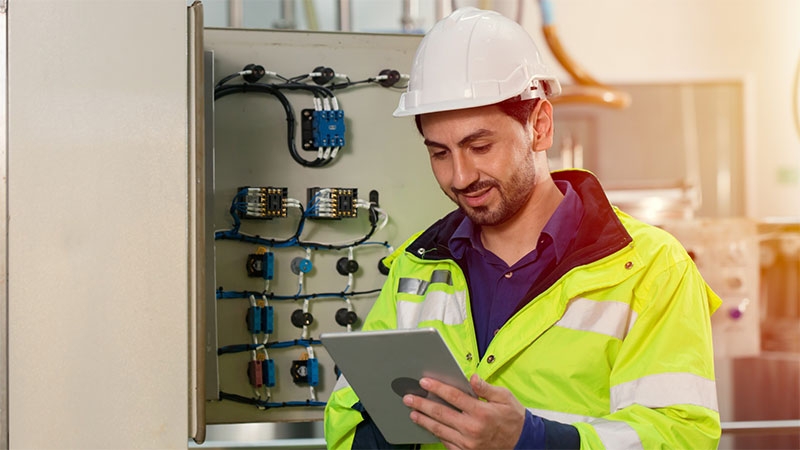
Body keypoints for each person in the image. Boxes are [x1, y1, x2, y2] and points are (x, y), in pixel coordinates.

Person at [324, 7, 722, 450]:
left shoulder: (650, 270)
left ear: (541, 126)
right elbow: (346, 411)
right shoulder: (417, 267)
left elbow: (681, 435)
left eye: (480, 146)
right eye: (439, 153)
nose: (460, 176)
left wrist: (531, 439)